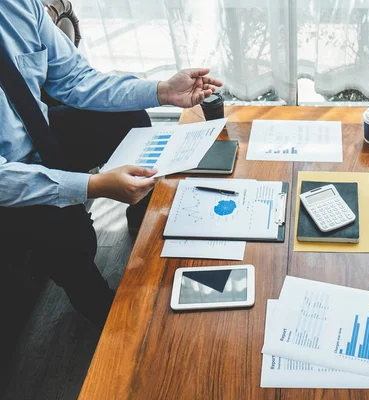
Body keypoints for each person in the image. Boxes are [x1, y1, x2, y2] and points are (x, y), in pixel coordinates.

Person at [0, 0, 222, 326]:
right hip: (10, 172)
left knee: (127, 117)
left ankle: (140, 217)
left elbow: (76, 79)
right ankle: (99, 305)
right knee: (65, 231)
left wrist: (163, 91)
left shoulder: (19, 5)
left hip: (38, 134)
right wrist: (94, 185)